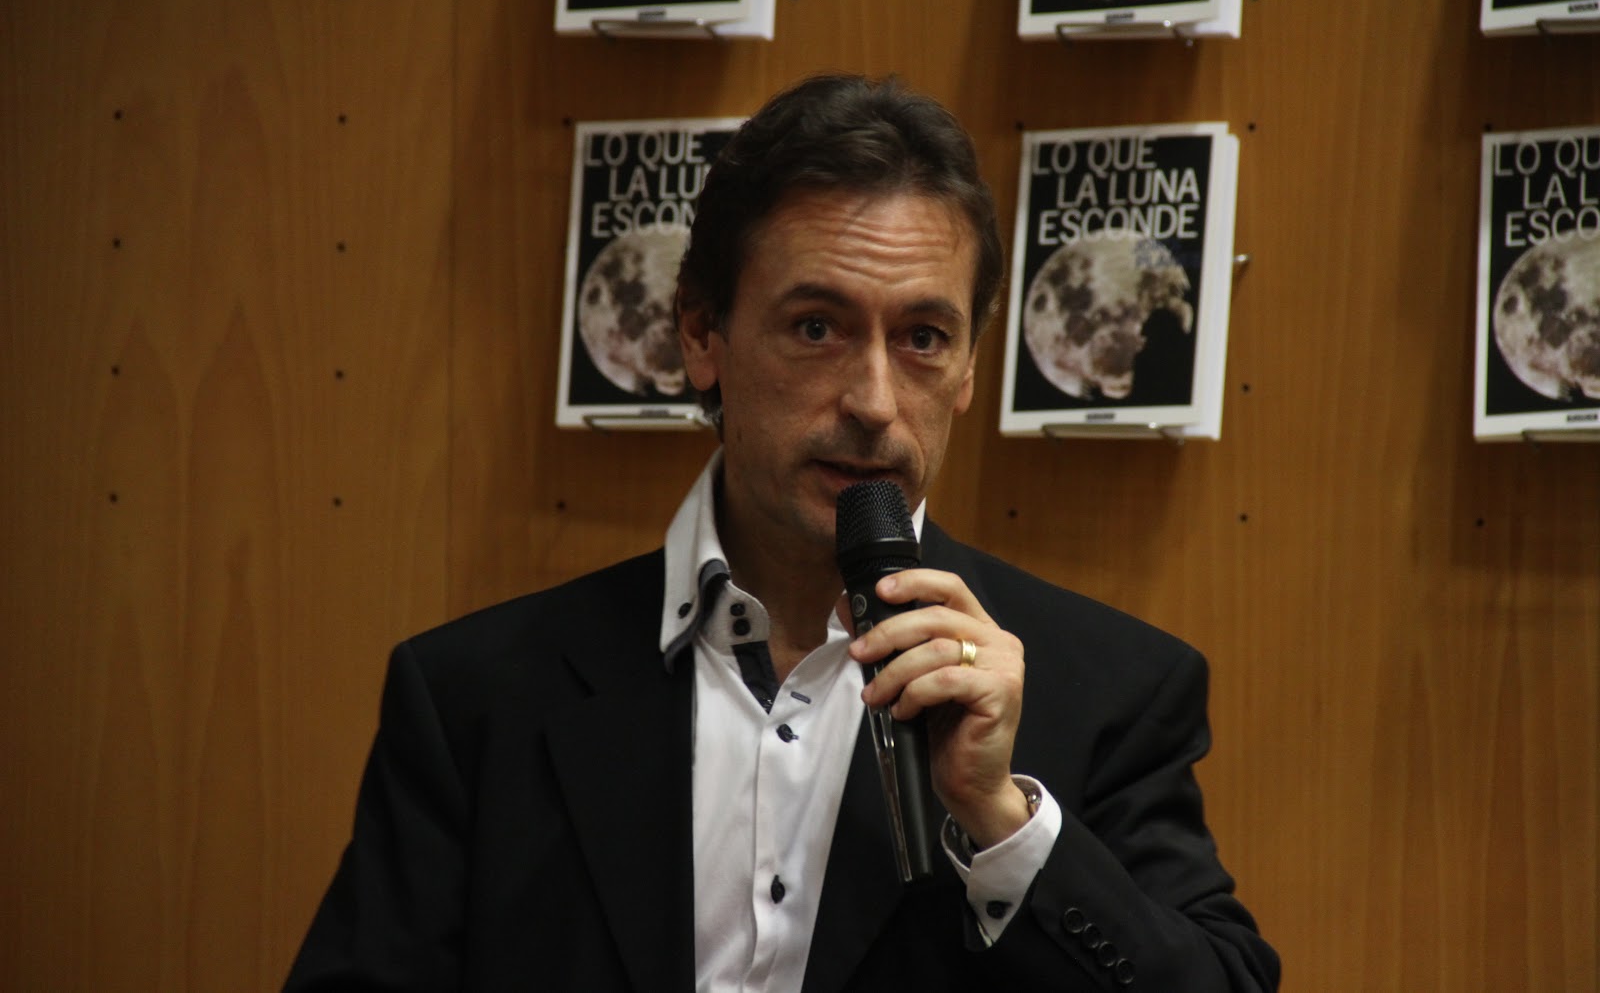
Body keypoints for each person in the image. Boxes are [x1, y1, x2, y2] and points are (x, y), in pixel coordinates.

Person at [285, 73, 1280, 992]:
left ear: (970, 368)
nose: (874, 401)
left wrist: (1005, 825)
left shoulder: (1106, 691)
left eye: (923, 338)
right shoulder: (474, 699)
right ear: (700, 334)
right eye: (816, 326)